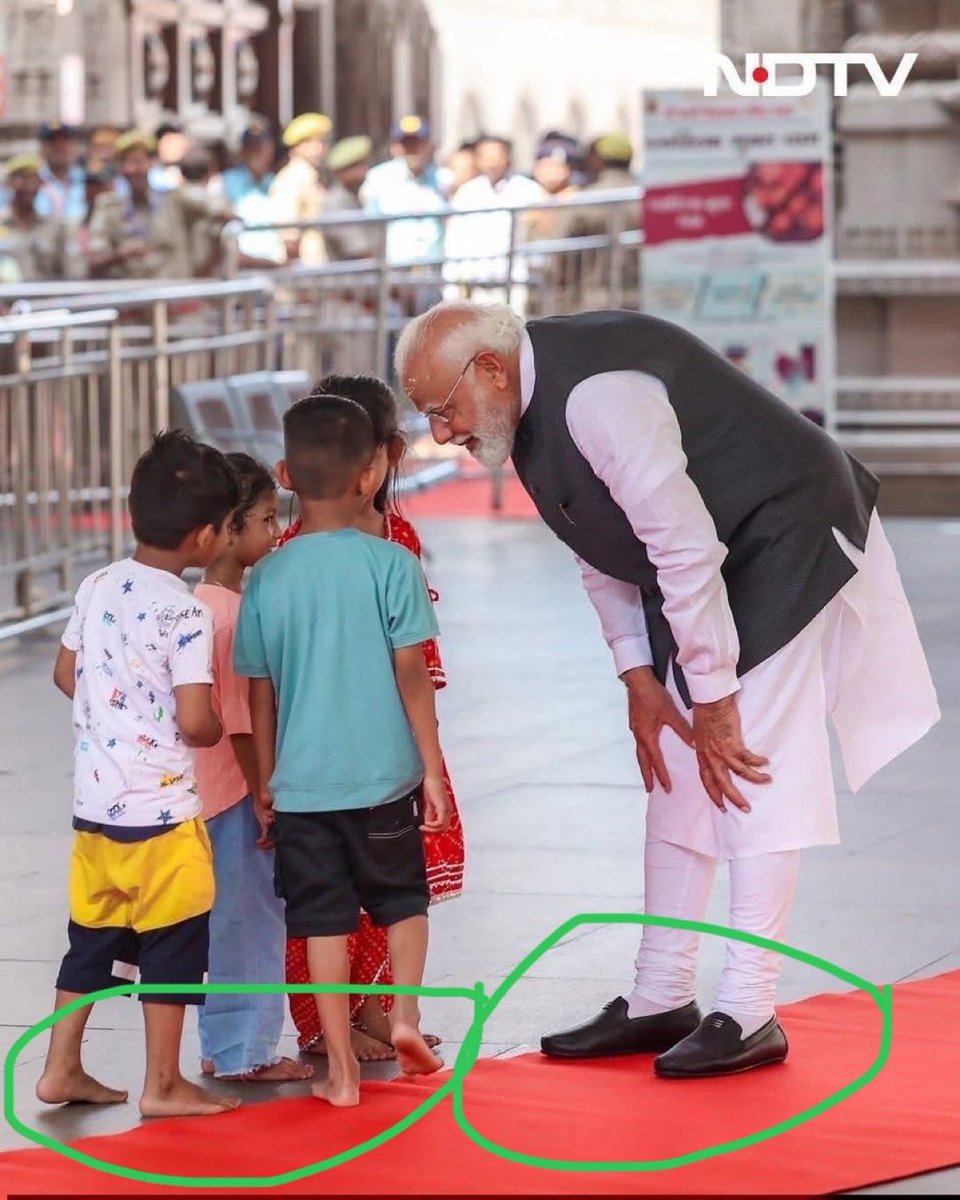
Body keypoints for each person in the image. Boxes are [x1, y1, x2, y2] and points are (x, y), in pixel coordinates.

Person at [395, 301, 940, 1078]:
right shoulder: (517, 409)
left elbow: (684, 547)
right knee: (678, 771)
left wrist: (713, 698)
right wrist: (639, 676)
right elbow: (596, 544)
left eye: (441, 410)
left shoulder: (598, 397)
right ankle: (662, 994)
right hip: (708, 556)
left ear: (487, 369)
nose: (441, 432)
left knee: (750, 762)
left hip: (783, 533)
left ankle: (751, 1010)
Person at [233, 394, 450, 1106]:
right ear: (371, 476)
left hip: (302, 785)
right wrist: (433, 770)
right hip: (385, 778)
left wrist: (266, 779)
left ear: (285, 472)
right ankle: (407, 1017)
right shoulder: (393, 565)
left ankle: (343, 1071)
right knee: (401, 899)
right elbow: (412, 675)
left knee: (320, 916)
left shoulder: (265, 577)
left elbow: (260, 693)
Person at [36, 431, 242, 1119]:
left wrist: (113, 720)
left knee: (91, 941)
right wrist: (215, 724)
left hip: (95, 813)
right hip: (163, 819)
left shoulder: (97, 586)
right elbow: (194, 721)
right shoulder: (184, 612)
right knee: (176, 940)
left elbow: (67, 674)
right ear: (206, 536)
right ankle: (163, 1082)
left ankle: (61, 1067)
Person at [279, 374, 465, 1062]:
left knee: (376, 889)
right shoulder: (294, 555)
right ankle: (333, 1025)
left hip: (365, 759)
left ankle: (379, 1011)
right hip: (346, 760)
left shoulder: (397, 539)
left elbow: (415, 666)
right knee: (340, 897)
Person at [194, 454, 313, 1084]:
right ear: (229, 527)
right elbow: (242, 723)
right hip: (236, 796)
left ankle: (222, 1042)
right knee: (252, 919)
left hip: (195, 795)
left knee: (221, 924)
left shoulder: (193, 605)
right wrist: (265, 793)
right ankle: (247, 1050)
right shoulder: (235, 616)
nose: (275, 532)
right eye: (266, 519)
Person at [87, 131, 231, 280]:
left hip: (174, 295)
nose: (130, 169)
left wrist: (203, 272)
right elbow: (93, 262)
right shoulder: (108, 207)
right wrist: (120, 255)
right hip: (130, 297)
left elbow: (221, 215)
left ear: (151, 163)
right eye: (125, 162)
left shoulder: (175, 200)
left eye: (137, 161)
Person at [361, 116, 447, 266]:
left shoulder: (442, 178)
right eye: (407, 144)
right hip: (396, 267)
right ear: (396, 148)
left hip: (432, 266)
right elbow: (370, 224)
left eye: (417, 144)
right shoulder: (379, 178)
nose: (412, 150)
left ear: (427, 146)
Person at [0, 155, 83, 280]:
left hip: (48, 297)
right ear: (10, 182)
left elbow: (73, 270)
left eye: (33, 180)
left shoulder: (56, 226)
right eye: (22, 179)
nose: (28, 186)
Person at [220, 119, 286, 267]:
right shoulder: (226, 182)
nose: (259, 153)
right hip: (243, 266)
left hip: (276, 264)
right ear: (243, 151)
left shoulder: (276, 182)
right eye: (253, 148)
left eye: (263, 147)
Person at [269, 112, 331, 265]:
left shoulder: (312, 177)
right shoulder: (291, 179)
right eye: (310, 142)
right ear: (295, 147)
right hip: (303, 270)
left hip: (317, 265)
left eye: (320, 142)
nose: (318, 148)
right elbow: (289, 237)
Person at [323, 136, 379, 261]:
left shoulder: (357, 196)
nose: (363, 170)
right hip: (349, 277)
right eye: (355, 166)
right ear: (339, 172)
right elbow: (360, 251)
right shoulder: (336, 203)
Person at [35, 122, 87, 223]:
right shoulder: (32, 182)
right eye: (52, 142)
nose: (59, 147)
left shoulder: (88, 179)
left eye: (64, 141)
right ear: (42, 148)